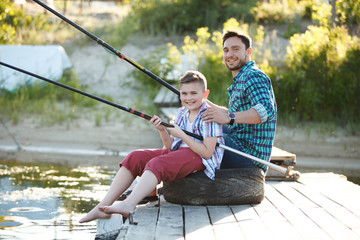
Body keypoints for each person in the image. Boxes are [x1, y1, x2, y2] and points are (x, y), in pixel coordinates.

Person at [79, 70, 224, 223]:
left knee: (157, 164)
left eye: (193, 93)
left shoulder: (209, 115)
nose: (188, 98)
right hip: (181, 153)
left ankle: (128, 204)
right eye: (184, 93)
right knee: (135, 157)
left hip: (200, 158)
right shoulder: (181, 112)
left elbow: (207, 153)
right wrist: (162, 130)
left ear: (205, 94)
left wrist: (181, 135)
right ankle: (103, 206)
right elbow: (170, 147)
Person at [202, 29, 277, 173]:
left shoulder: (252, 76)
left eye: (235, 49)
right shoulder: (242, 78)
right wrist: (199, 101)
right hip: (238, 144)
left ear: (248, 51)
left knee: (196, 136)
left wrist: (229, 117)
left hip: (248, 156)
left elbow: (267, 110)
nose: (229, 54)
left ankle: (162, 177)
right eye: (226, 50)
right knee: (199, 122)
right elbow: (228, 115)